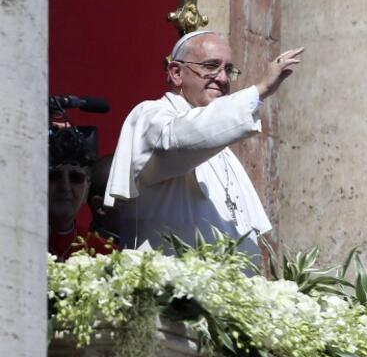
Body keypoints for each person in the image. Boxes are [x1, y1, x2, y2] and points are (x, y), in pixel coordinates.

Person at [104, 30, 303, 256]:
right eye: (211, 66)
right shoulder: (150, 115)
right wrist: (259, 90)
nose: (223, 78)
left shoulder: (222, 149)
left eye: (228, 70)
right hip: (168, 285)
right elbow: (178, 139)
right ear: (177, 73)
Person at [48, 129, 115, 260]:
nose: (65, 187)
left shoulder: (105, 254)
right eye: (54, 176)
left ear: (86, 189)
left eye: (75, 177)